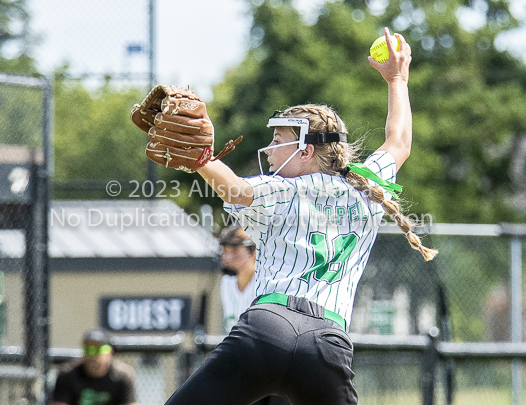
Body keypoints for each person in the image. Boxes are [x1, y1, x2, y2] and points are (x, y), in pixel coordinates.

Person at [163, 28, 437, 405]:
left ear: (306, 151)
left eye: (279, 142)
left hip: (265, 330)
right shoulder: (367, 188)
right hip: (326, 345)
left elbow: (237, 189)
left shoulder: (283, 190)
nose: (271, 151)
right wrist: (397, 79)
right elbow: (399, 140)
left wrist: (203, 160)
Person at [218, 225, 293, 405]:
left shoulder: (267, 284)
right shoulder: (226, 284)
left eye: (235, 250)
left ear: (254, 251)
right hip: (244, 368)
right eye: (226, 250)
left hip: (276, 368)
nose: (228, 256)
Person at [51, 329, 137, 405]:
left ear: (109, 352)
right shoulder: (67, 374)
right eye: (88, 349)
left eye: (97, 349)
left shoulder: (123, 375)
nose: (92, 355)